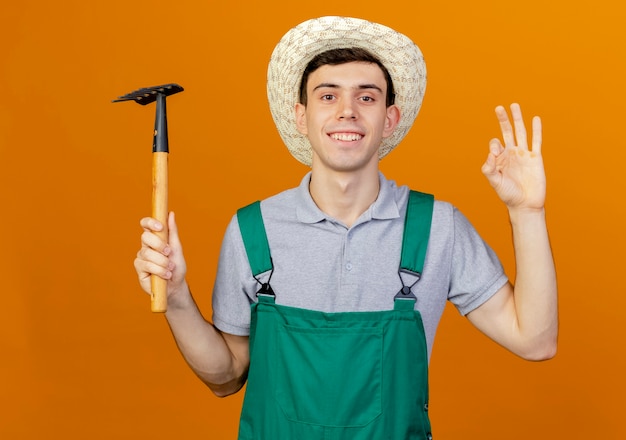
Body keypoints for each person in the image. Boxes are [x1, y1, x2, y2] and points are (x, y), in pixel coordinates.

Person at [134, 16, 557, 439]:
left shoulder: (437, 227)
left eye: (367, 97)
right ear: (301, 116)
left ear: (390, 118)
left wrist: (527, 213)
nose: (347, 111)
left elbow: (534, 341)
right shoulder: (253, 229)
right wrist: (175, 298)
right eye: (328, 95)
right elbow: (225, 377)